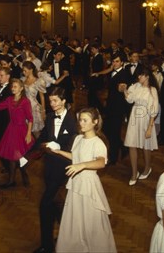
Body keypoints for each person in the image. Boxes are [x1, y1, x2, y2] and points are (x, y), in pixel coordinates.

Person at [52, 107, 116, 253]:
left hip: (89, 185)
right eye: (80, 120)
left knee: (91, 220)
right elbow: (76, 157)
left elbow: (101, 162)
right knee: (76, 218)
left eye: (85, 120)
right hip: (76, 184)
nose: (81, 123)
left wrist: (82, 165)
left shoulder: (98, 143)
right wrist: (58, 152)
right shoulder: (78, 139)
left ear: (95, 122)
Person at [32, 87, 78, 253]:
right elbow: (43, 138)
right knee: (55, 204)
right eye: (50, 101)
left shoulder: (73, 121)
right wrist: (28, 153)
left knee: (45, 204)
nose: (52, 104)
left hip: (64, 170)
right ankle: (68, 235)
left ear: (64, 101)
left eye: (55, 101)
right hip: (49, 167)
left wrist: (59, 147)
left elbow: (75, 147)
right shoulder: (51, 117)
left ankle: (46, 245)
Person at [0, 78, 34, 188]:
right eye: (12, 87)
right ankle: (11, 180)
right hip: (11, 129)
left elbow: (30, 118)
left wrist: (29, 133)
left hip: (21, 130)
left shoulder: (25, 101)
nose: (12, 88)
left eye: (15, 87)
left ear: (21, 88)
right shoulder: (9, 99)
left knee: (18, 155)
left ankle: (23, 172)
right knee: (13, 156)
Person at [121, 66, 159, 185]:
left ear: (147, 76)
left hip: (146, 118)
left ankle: (147, 168)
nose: (139, 77)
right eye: (138, 75)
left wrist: (150, 127)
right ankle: (134, 173)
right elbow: (129, 100)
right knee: (132, 144)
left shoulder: (152, 90)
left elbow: (154, 109)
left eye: (141, 75)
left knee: (146, 146)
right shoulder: (135, 86)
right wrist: (124, 90)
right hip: (134, 117)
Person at [102, 53, 129, 165]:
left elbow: (121, 89)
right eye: (113, 61)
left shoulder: (124, 74)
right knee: (106, 130)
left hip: (118, 107)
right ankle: (123, 147)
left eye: (117, 61)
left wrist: (122, 87)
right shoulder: (112, 72)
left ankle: (113, 158)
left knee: (114, 132)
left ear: (122, 62)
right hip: (110, 105)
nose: (114, 63)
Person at [22, 61, 47, 135]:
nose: (23, 72)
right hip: (24, 106)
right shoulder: (23, 80)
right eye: (23, 70)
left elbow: (42, 97)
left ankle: (38, 146)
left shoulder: (38, 81)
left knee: (36, 132)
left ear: (31, 70)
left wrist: (43, 110)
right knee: (25, 130)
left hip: (33, 107)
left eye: (25, 70)